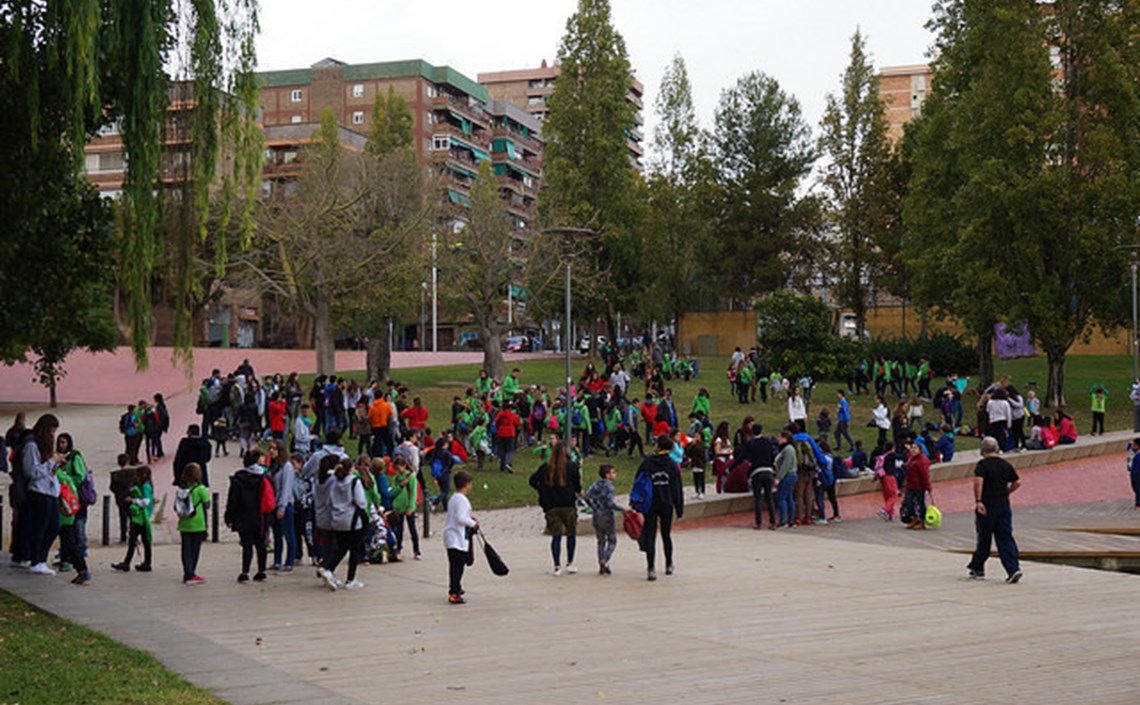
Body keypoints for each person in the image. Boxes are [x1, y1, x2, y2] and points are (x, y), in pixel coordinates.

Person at [967, 436, 1022, 583]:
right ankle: (1013, 568)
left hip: (987, 505)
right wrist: (1007, 491)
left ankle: (978, 568)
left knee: (984, 537)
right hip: (1003, 504)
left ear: (982, 449)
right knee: (1005, 537)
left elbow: (978, 482)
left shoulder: (982, 465)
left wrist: (978, 501)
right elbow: (1017, 482)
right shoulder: (1005, 464)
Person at [529, 440, 582, 576]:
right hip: (568, 503)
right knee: (571, 534)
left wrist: (542, 489)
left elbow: (532, 481)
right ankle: (570, 562)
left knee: (556, 536)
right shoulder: (572, 466)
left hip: (551, 505)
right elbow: (577, 485)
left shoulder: (545, 468)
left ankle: (557, 565)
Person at [636, 434, 684, 581]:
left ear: (657, 446)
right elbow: (677, 487)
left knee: (650, 535)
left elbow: (638, 481)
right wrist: (679, 507)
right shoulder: (672, 464)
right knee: (666, 534)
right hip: (667, 503)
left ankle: (651, 568)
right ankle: (669, 563)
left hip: (650, 503)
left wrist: (637, 502)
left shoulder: (647, 462)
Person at [318, 458, 368, 591]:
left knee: (341, 547)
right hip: (351, 520)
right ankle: (351, 579)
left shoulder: (334, 482)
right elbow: (361, 502)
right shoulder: (354, 481)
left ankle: (329, 568)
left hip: (336, 519)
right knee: (354, 550)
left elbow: (329, 501)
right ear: (351, 469)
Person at [224, 449, 270, 582]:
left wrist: (229, 517)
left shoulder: (238, 479)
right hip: (260, 516)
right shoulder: (264, 478)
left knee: (247, 545)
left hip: (243, 516)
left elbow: (232, 500)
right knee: (261, 544)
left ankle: (245, 571)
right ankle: (261, 570)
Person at [54, 433, 89, 584]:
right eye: (60, 442)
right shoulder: (61, 475)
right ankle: (70, 563)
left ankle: (81, 568)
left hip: (65, 509)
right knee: (67, 538)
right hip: (66, 509)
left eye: (64, 442)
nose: (62, 445)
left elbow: (80, 476)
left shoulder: (64, 473)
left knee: (69, 538)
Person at [583, 464, 628, 575]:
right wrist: (622, 509)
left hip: (597, 515)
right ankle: (605, 560)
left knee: (601, 541)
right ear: (607, 475)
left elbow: (586, 496)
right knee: (612, 540)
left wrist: (593, 506)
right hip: (607, 516)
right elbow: (610, 503)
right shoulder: (610, 487)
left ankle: (601, 563)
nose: (615, 474)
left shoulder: (596, 484)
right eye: (613, 472)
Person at [443, 470, 478, 604]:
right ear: (467, 485)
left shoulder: (454, 498)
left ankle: (456, 586)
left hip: (451, 536)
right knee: (458, 566)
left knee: (454, 564)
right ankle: (454, 592)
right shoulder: (462, 500)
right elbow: (461, 518)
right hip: (457, 537)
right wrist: (473, 523)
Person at [112, 465, 153, 572]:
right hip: (142, 517)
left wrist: (133, 500)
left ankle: (128, 562)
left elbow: (146, 502)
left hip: (140, 517)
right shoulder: (146, 486)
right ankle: (146, 562)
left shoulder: (145, 486)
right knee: (144, 540)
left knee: (134, 540)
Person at [177, 463, 211, 584]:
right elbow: (207, 504)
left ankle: (187, 572)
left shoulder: (181, 489)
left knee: (185, 550)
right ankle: (191, 574)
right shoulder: (200, 489)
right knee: (195, 550)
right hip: (197, 522)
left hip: (183, 523)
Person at [267, 440, 297, 573]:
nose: (271, 451)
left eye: (274, 449)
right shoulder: (273, 466)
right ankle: (277, 561)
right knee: (277, 534)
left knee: (289, 535)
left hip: (285, 504)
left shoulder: (287, 467)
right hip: (273, 504)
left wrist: (282, 506)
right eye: (270, 449)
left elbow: (286, 488)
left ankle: (289, 562)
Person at [390, 455, 422, 560]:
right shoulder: (396, 478)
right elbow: (393, 492)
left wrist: (411, 507)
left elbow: (413, 493)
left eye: (399, 468)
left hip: (408, 506)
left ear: (404, 466)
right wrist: (400, 486)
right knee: (399, 530)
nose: (397, 471)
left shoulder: (411, 477)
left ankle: (416, 550)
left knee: (412, 529)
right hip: (398, 506)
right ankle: (398, 548)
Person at [746, 424, 777, 530]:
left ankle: (758, 522)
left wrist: (732, 467)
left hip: (756, 472)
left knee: (758, 498)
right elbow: (773, 455)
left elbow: (745, 457)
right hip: (768, 470)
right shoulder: (767, 442)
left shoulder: (751, 443)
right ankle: (773, 522)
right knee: (769, 497)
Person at [902, 441, 933, 530]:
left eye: (915, 448)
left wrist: (927, 486)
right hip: (910, 485)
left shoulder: (921, 461)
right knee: (908, 503)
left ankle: (921, 521)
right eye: (912, 448)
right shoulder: (912, 459)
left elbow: (924, 475)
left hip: (919, 486)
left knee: (919, 503)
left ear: (920, 450)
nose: (913, 450)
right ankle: (914, 518)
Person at [774, 431, 798, 528]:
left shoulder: (788, 449)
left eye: (780, 437)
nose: (778, 439)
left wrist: (779, 477)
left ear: (785, 438)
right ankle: (791, 519)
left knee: (781, 498)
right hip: (790, 475)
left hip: (787, 475)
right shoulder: (788, 449)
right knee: (789, 497)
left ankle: (783, 520)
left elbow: (785, 465)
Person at [1129, 438, 1140, 508]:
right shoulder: (1133, 452)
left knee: (1138, 487)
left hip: (1138, 472)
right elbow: (1128, 447)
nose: (1133, 446)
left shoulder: (1138, 455)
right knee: (1134, 487)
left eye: (1135, 445)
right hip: (1133, 471)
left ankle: (1138, 502)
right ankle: (1137, 502)